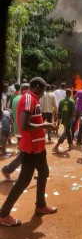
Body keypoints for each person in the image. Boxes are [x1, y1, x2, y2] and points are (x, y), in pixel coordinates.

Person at [0, 77, 57, 227]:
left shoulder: (32, 99)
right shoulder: (27, 98)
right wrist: (44, 125)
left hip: (39, 147)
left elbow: (33, 121)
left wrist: (43, 125)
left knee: (43, 173)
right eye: (43, 91)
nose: (43, 94)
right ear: (37, 87)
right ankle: (3, 214)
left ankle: (40, 205)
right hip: (31, 148)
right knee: (23, 181)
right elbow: (25, 125)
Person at [1, 83, 29, 181]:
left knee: (25, 152)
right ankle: (8, 169)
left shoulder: (16, 98)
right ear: (26, 89)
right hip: (23, 130)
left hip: (17, 129)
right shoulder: (24, 99)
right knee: (25, 153)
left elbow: (14, 113)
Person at [52, 88, 75, 153]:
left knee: (68, 131)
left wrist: (60, 118)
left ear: (65, 93)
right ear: (70, 94)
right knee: (65, 133)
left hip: (64, 119)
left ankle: (70, 145)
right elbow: (73, 113)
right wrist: (71, 117)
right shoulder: (72, 101)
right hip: (69, 119)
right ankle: (56, 147)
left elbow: (59, 111)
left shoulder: (61, 101)